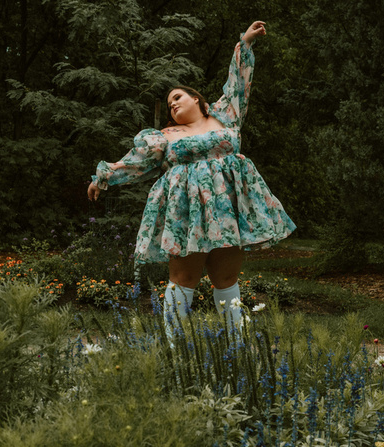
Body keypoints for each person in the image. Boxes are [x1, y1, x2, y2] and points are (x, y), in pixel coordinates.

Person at [88, 21, 296, 336]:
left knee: (226, 279)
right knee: (183, 279)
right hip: (185, 213)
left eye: (177, 97)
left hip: (227, 209)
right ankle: (175, 348)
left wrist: (245, 44)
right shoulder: (165, 135)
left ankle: (236, 348)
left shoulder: (225, 115)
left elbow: (237, 83)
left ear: (197, 99)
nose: (173, 104)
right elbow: (134, 162)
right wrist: (103, 176)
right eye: (170, 103)